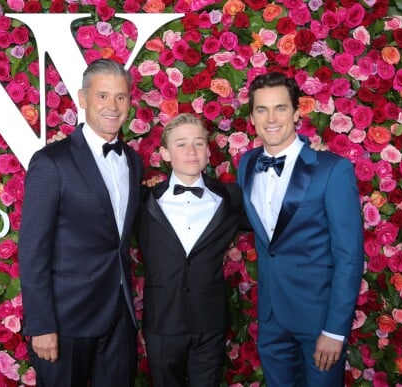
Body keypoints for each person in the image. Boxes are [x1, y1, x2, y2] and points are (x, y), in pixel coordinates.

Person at [18, 59, 143, 386]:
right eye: (103, 96)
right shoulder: (51, 162)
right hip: (65, 321)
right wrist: (41, 324)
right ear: (83, 98)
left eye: (121, 97)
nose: (113, 106)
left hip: (119, 316)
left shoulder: (132, 159)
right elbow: (33, 251)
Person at [236, 72, 364, 386]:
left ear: (296, 113)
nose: (271, 118)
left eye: (280, 108)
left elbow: (349, 255)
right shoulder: (247, 164)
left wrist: (335, 330)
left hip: (319, 319)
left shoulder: (333, 170)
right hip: (270, 318)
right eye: (262, 110)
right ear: (252, 117)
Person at [136, 113, 243, 387]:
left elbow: (277, 205)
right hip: (162, 321)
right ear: (165, 154)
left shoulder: (231, 198)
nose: (191, 151)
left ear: (208, 151)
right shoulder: (142, 201)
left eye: (198, 143)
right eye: (181, 144)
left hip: (210, 323)